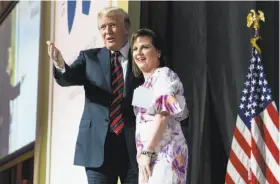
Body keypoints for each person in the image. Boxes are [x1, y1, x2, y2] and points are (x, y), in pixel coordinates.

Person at [46, 7, 140, 184]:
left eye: (112, 25)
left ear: (126, 27)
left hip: (134, 148)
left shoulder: (140, 57)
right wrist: (60, 63)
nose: (107, 31)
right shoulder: (90, 58)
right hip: (97, 149)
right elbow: (69, 77)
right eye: (102, 27)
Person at [130, 28, 189, 184]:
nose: (139, 52)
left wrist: (148, 151)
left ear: (158, 53)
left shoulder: (164, 74)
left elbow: (163, 115)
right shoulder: (141, 89)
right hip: (148, 158)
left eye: (145, 47)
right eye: (135, 49)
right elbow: (142, 124)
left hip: (165, 153)